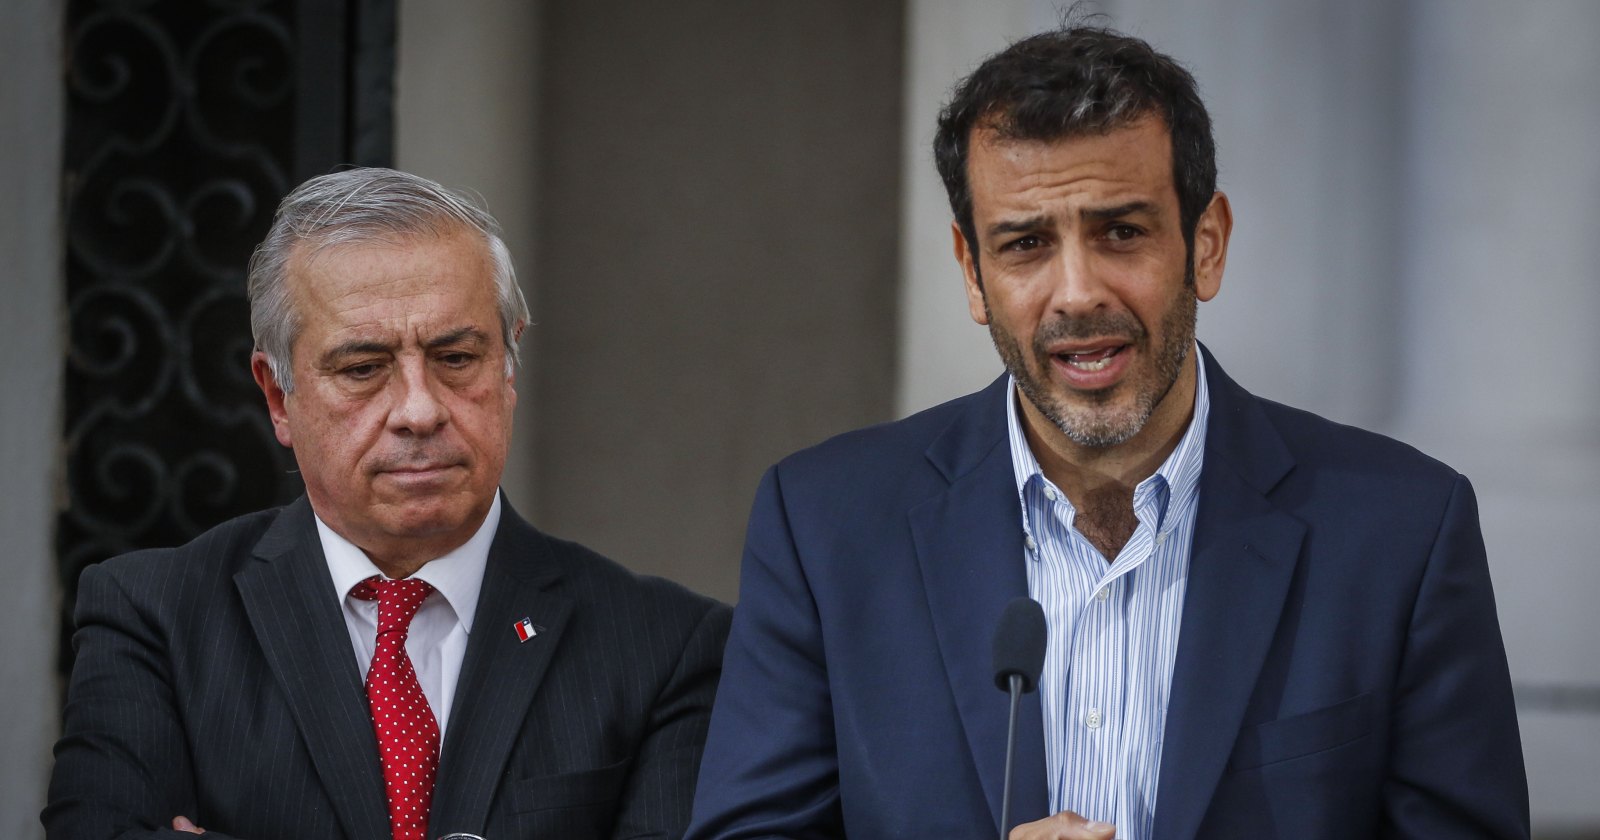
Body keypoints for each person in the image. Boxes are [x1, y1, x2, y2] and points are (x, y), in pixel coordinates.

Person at [686, 23, 1527, 840]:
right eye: (1025, 244)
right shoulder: (825, 526)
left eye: (1121, 233)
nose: (1078, 293)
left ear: (1206, 244)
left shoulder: (1402, 532)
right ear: (973, 273)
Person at [45, 168, 730, 840]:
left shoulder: (663, 648)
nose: (419, 411)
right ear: (278, 396)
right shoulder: (158, 619)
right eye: (363, 369)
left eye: (456, 358)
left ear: (507, 367)